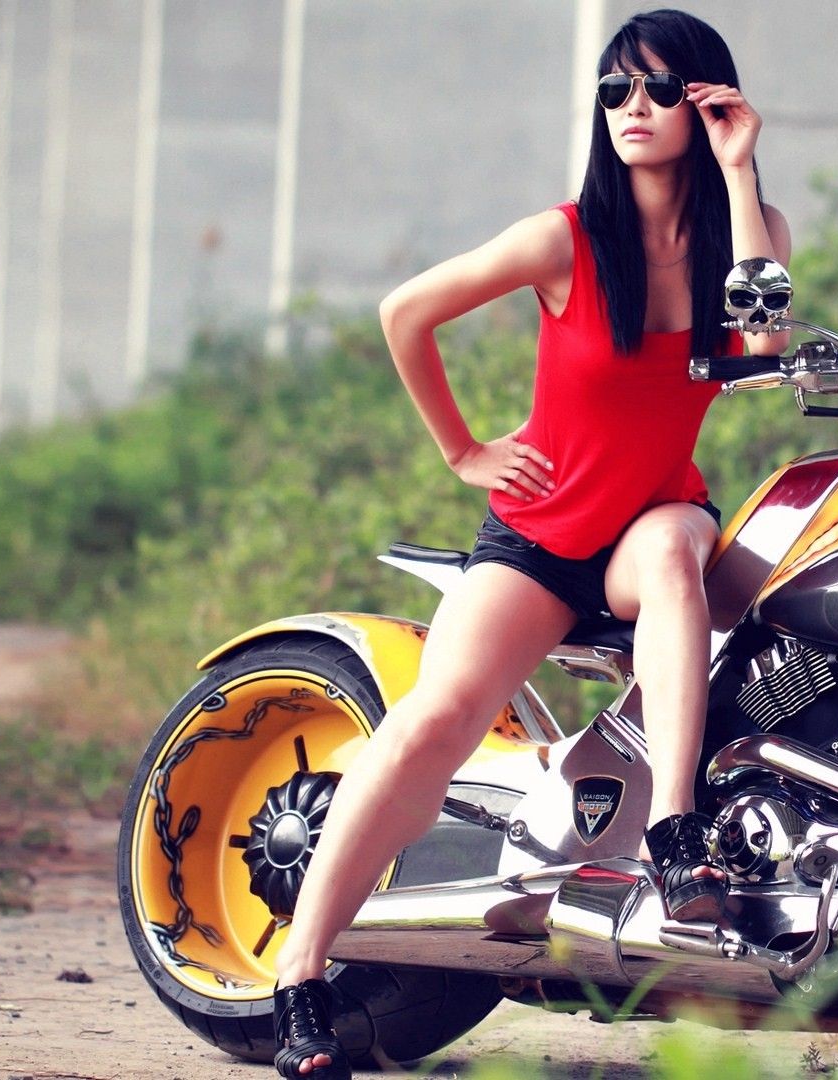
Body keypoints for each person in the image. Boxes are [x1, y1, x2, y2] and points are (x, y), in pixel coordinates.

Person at [265, 10, 789, 1078]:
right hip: (541, 534)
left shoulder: (749, 228)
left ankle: (674, 828)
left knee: (680, 554)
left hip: (652, 520)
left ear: (705, 102)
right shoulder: (564, 238)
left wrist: (739, 171)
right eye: (615, 91)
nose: (633, 109)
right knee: (434, 722)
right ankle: (301, 975)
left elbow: (765, 341)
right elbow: (406, 312)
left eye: (659, 90)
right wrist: (464, 450)